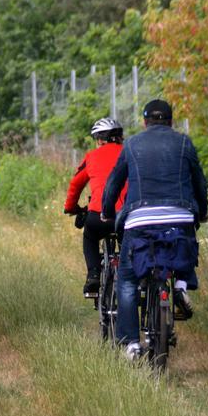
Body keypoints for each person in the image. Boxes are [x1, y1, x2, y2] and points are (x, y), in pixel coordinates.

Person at [101, 99, 208, 361]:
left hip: (140, 219)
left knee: (127, 278)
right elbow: (199, 182)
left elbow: (114, 181)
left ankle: (131, 343)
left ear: (145, 122)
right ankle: (181, 285)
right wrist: (201, 211)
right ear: (171, 121)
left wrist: (106, 211)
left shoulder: (132, 144)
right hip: (179, 215)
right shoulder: (184, 142)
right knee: (184, 239)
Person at [64, 118, 127, 296]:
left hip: (99, 215)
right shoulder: (131, 153)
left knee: (90, 236)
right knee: (130, 241)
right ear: (120, 137)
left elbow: (75, 184)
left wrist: (71, 207)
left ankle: (93, 274)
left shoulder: (91, 156)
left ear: (100, 139)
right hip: (127, 215)